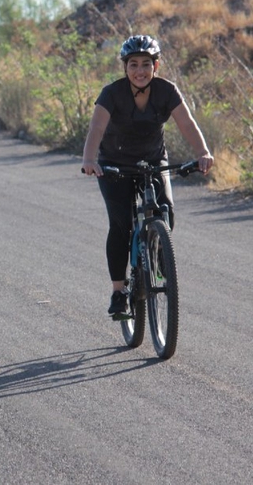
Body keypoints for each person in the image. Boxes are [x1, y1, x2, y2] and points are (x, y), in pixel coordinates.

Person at [81, 35, 213, 317]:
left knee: (165, 211)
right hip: (114, 165)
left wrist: (203, 152)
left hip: (153, 160)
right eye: (133, 65)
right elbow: (96, 129)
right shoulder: (111, 93)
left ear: (156, 65)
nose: (139, 71)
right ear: (125, 67)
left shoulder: (167, 91)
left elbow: (187, 123)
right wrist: (90, 159)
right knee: (121, 226)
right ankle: (119, 292)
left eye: (145, 64)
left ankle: (158, 255)